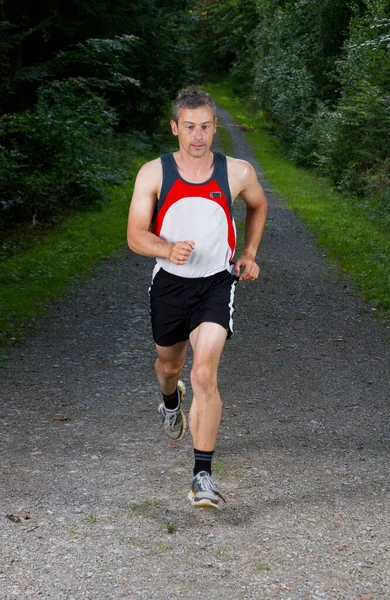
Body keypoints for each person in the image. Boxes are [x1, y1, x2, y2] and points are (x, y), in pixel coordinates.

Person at [127, 86, 267, 509]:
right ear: (175, 128)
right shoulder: (154, 173)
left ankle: (202, 476)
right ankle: (171, 400)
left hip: (215, 283)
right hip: (169, 283)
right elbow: (135, 236)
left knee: (205, 373)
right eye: (189, 127)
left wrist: (249, 253)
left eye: (205, 126)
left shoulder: (236, 171)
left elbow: (258, 206)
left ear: (214, 126)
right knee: (169, 366)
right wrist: (166, 249)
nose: (198, 135)